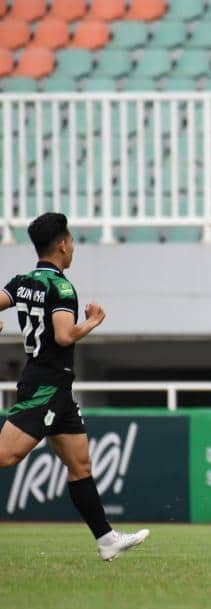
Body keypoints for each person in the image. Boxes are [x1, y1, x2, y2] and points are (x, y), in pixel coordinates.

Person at [0, 212, 150, 561]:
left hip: (56, 389)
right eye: (71, 240)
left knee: (80, 464)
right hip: (46, 386)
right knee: (7, 455)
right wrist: (92, 322)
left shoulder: (23, 281)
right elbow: (64, 334)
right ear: (63, 244)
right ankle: (107, 538)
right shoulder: (61, 287)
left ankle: (106, 539)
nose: (73, 246)